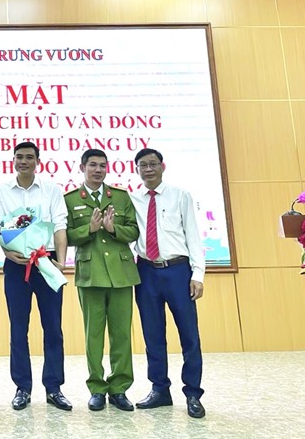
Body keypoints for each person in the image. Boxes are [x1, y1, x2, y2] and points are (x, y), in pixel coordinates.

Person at [0, 141, 71, 411]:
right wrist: (7, 253)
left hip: (47, 262)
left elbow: (60, 225)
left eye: (29, 157)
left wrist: (61, 262)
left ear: (38, 161)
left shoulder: (51, 189)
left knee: (53, 327)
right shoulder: (2, 191)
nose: (24, 161)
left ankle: (54, 387)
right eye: (19, 157)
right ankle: (22, 388)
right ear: (13, 160)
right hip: (17, 264)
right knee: (18, 328)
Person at [130, 148, 206, 419]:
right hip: (145, 272)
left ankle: (193, 393)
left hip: (177, 271)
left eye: (153, 164)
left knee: (189, 334)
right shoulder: (132, 199)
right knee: (152, 335)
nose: (148, 169)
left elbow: (193, 235)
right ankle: (160, 389)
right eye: (143, 165)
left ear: (162, 166)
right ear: (137, 169)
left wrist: (198, 274)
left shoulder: (180, 195)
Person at [64, 149, 139, 412]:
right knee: (93, 335)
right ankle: (96, 388)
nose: (98, 170)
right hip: (90, 275)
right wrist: (90, 229)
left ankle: (119, 388)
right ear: (82, 168)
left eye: (102, 166)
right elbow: (65, 235)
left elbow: (134, 230)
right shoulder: (71, 199)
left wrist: (112, 228)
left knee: (122, 335)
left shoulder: (120, 196)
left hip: (121, 274)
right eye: (93, 165)